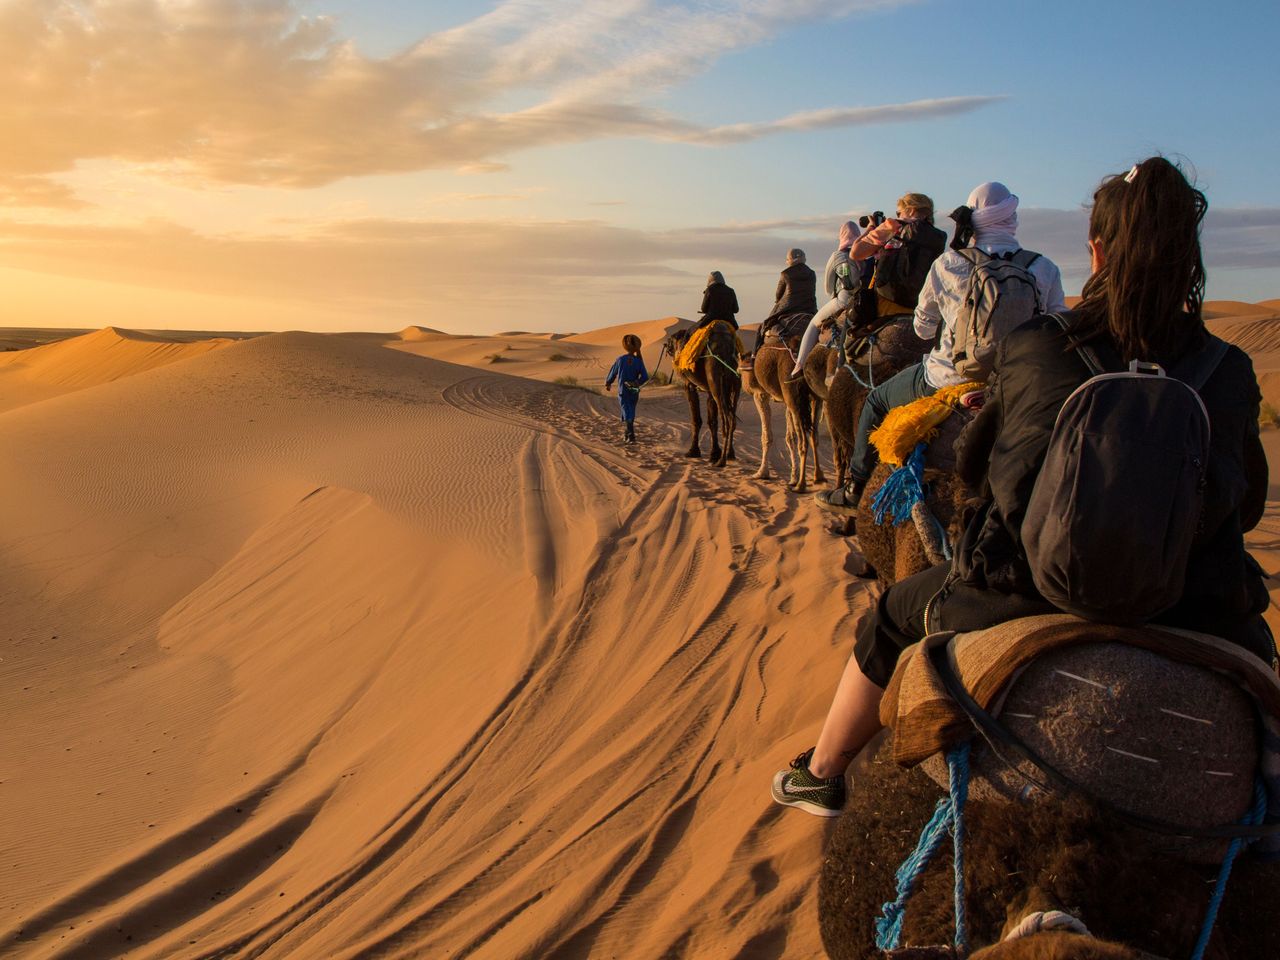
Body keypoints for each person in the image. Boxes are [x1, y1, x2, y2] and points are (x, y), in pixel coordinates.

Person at [773, 157, 1273, 817]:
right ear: (1189, 254)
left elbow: (984, 476)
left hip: (1023, 592)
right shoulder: (1229, 368)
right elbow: (1248, 507)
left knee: (891, 618)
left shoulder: (1039, 346)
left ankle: (824, 771)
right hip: (1194, 605)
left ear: (1097, 249)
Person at [815, 182, 1066, 517]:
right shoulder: (1044, 268)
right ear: (1013, 219)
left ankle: (854, 489)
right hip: (1016, 381)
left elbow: (923, 327)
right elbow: (1056, 328)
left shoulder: (951, 264)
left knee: (875, 401)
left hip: (945, 377)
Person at [847, 193, 946, 327]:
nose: (898, 216)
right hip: (920, 308)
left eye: (899, 212)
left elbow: (856, 253)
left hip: (886, 303)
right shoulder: (937, 237)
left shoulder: (894, 225)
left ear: (910, 210)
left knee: (846, 335)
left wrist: (871, 228)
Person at [789, 220, 864, 378]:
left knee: (813, 324)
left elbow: (828, 287)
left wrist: (834, 298)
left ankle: (799, 365)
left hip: (843, 299)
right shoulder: (865, 252)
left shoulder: (838, 256)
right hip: (865, 299)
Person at [759, 248, 817, 340]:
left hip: (788, 308)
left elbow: (778, 295)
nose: (786, 261)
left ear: (791, 260)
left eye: (787, 259)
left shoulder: (785, 274)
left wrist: (778, 302)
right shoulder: (812, 274)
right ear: (804, 259)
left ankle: (755, 352)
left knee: (765, 325)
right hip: (809, 309)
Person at [604, 334, 649, 444]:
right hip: (634, 390)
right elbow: (645, 377)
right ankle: (627, 433)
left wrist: (608, 383)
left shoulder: (620, 359)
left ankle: (631, 435)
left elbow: (613, 372)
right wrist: (636, 383)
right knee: (631, 410)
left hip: (623, 390)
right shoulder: (639, 361)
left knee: (626, 410)